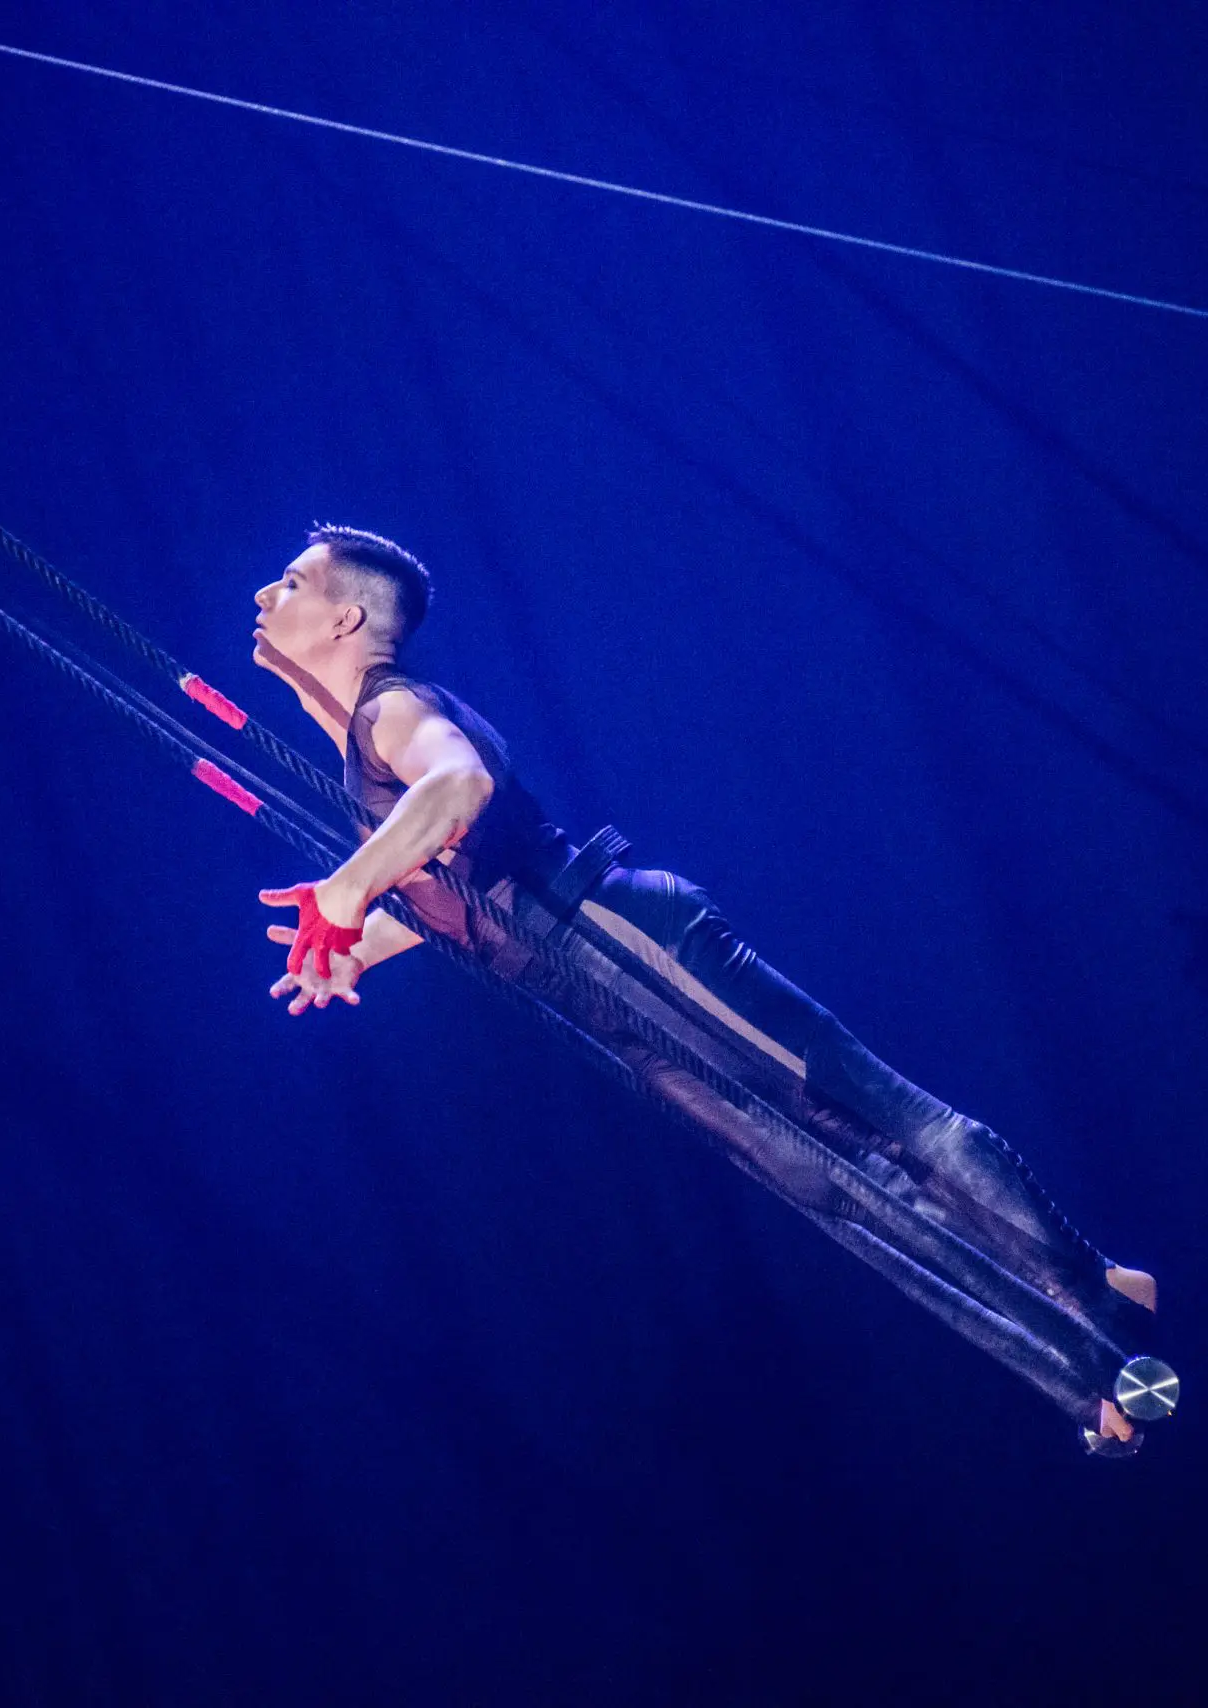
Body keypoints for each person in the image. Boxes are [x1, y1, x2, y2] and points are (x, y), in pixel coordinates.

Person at [248, 524, 1161, 1444]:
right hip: (601, 991)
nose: (264, 597)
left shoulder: (392, 712)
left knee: (882, 1120)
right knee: (831, 1187)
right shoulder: (362, 739)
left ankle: (1094, 1299)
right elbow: (465, 886)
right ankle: (1079, 1382)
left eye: (289, 583)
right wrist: (361, 943)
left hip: (625, 941)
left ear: (348, 616)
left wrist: (347, 888)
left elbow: (458, 788)